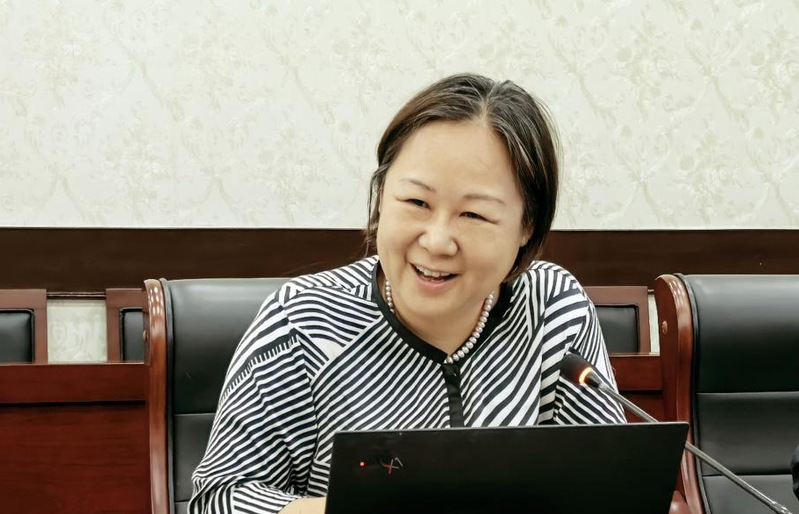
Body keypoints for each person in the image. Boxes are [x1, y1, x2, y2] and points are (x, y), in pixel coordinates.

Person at [189, 73, 625, 514]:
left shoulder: (552, 308)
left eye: (474, 215)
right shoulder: (301, 324)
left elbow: (608, 485)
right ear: (382, 195)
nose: (437, 242)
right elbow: (219, 500)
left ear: (526, 227)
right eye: (417, 203)